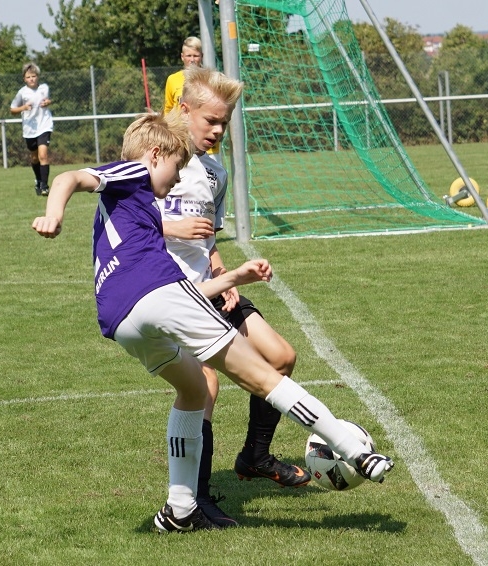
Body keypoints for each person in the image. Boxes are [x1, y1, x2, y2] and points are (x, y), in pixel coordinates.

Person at [31, 111, 394, 534]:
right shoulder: (135, 173)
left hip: (120, 316)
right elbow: (69, 178)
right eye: (176, 166)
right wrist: (54, 214)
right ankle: (354, 450)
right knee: (264, 374)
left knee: (193, 389)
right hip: (154, 292)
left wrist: (232, 277)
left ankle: (180, 509)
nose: (176, 178)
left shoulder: (131, 212)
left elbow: (170, 295)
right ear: (155, 154)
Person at [159, 67, 307, 529]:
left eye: (224, 122)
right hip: (172, 291)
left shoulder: (215, 171)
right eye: (211, 121)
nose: (219, 130)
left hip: (212, 284)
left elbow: (207, 239)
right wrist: (173, 226)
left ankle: (254, 457)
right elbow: (122, 222)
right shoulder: (156, 158)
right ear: (184, 111)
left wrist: (226, 275)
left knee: (281, 357)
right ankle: (197, 498)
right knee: (205, 386)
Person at [163, 37, 221, 162]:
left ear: (202, 56)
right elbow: (168, 110)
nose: (192, 60)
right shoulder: (173, 79)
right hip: (182, 144)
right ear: (182, 56)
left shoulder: (211, 78)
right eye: (189, 56)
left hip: (208, 147)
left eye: (196, 55)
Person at [10, 62, 53, 196]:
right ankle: (38, 180)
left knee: (43, 155)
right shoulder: (22, 93)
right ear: (24, 79)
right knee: (34, 158)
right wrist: (23, 108)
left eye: (33, 76)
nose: (31, 79)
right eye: (28, 77)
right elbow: (12, 109)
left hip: (44, 125)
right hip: (29, 129)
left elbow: (47, 100)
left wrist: (48, 102)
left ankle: (45, 186)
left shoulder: (44, 88)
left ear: (37, 76)